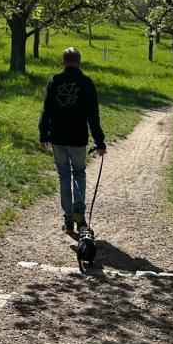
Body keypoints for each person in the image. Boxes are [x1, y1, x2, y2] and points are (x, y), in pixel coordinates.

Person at [39, 47, 106, 234]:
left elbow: (46, 110)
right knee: (79, 173)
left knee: (64, 176)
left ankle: (68, 220)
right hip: (78, 138)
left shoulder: (54, 81)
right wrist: (99, 142)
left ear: (63, 62)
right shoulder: (86, 83)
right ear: (79, 62)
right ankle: (78, 207)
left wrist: (43, 134)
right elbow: (93, 116)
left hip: (58, 137)